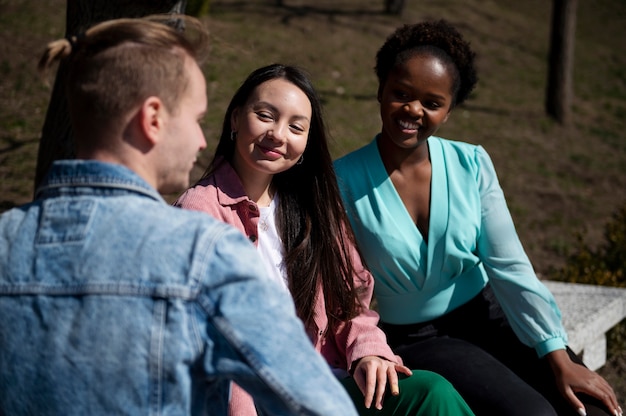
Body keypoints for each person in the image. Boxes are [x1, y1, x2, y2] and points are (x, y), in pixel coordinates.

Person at [0, 16, 360, 416]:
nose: (203, 139)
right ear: (154, 119)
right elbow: (318, 403)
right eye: (197, 119)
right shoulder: (204, 251)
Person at [333, 19, 623, 416]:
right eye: (401, 93)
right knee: (533, 413)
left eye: (432, 103)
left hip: (488, 313)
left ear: (448, 110)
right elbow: (343, 288)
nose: (413, 110)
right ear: (381, 89)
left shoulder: (472, 163)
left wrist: (557, 355)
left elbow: (510, 266)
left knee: (592, 408)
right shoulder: (341, 181)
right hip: (415, 337)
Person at [174, 63, 475, 416]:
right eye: (266, 116)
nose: (278, 135)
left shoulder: (312, 206)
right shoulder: (202, 209)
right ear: (236, 118)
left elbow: (349, 301)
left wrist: (369, 350)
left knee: (430, 394)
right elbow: (213, 337)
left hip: (322, 385)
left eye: (296, 127)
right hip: (257, 399)